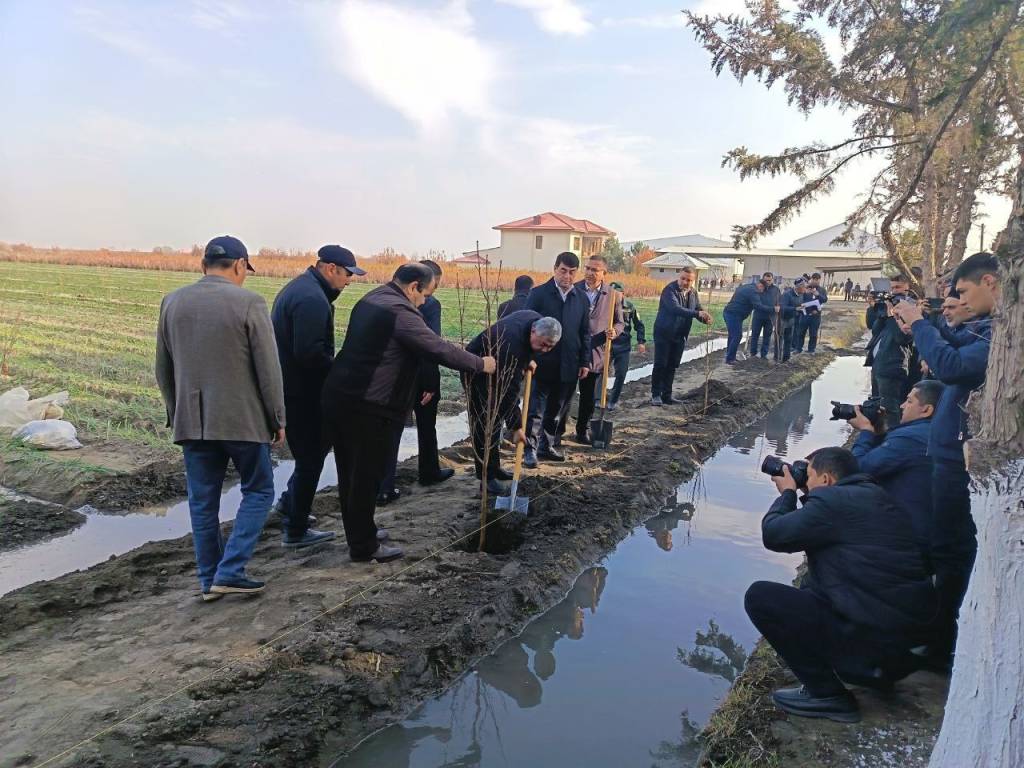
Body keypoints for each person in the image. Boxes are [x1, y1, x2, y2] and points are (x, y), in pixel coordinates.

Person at [744, 447, 937, 722]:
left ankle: (827, 695)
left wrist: (788, 493)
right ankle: (866, 667)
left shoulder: (834, 502)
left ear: (826, 479)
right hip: (906, 648)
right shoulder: (875, 496)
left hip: (879, 652)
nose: (805, 480)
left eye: (808, 475)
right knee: (811, 584)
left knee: (760, 597)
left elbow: (775, 534)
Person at [321, 263, 496, 563]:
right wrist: (481, 364)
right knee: (365, 475)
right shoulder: (399, 312)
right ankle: (363, 546)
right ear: (414, 286)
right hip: (368, 405)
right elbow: (437, 348)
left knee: (351, 472)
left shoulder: (373, 297)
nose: (425, 301)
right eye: (425, 294)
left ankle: (362, 531)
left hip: (343, 396)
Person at [155, 236, 284, 600]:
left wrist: (176, 411)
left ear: (203, 265)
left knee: (202, 502)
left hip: (192, 421)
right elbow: (269, 369)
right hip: (243, 419)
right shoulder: (249, 302)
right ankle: (230, 571)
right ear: (240, 265)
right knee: (259, 490)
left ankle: (208, 579)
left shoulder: (172, 301)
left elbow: (163, 367)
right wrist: (277, 417)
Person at [892, 251, 998, 668]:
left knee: (952, 550)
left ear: (989, 282)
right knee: (945, 547)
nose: (962, 302)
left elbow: (953, 366)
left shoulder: (1001, 332)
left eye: (965, 293)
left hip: (960, 457)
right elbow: (955, 348)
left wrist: (921, 325)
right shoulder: (984, 329)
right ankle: (936, 633)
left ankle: (942, 643)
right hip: (950, 451)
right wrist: (924, 328)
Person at [271, 244, 365, 548]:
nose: (349, 281)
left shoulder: (303, 288)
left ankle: (289, 502)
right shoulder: (311, 298)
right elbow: (309, 354)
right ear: (330, 268)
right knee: (311, 459)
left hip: (294, 387)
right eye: (347, 274)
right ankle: (296, 530)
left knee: (314, 451)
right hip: (303, 393)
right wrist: (339, 372)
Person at [464, 312, 561, 493]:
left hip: (498, 364)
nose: (545, 350)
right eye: (543, 345)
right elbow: (509, 392)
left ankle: (494, 468)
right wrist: (516, 428)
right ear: (533, 331)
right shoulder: (512, 346)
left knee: (496, 420)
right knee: (485, 422)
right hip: (476, 371)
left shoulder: (536, 319)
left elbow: (527, 350)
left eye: (550, 347)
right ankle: (486, 478)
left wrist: (529, 359)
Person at [849, 380, 944, 554]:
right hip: (932, 530)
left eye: (909, 401)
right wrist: (879, 431)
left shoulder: (910, 438)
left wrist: (865, 431)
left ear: (926, 410)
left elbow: (858, 469)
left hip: (905, 538)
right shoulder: (938, 432)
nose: (902, 406)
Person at [523, 252, 590, 467]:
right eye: (563, 271)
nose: (567, 276)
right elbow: (526, 327)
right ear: (555, 269)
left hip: (569, 363)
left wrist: (584, 361)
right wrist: (528, 358)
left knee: (556, 411)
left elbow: (585, 333)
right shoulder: (539, 294)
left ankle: (546, 445)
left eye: (572, 272)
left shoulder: (580, 298)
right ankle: (529, 449)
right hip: (541, 364)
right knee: (535, 410)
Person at [570, 255, 623, 443]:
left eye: (595, 270)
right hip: (572, 348)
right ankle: (555, 432)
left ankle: (582, 430)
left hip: (596, 351)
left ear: (604, 273)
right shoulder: (573, 289)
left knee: (588, 395)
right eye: (588, 268)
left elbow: (620, 322)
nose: (590, 273)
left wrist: (614, 332)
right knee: (564, 393)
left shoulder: (613, 295)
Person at [651, 266, 712, 403]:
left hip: (680, 334)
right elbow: (675, 309)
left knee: (672, 365)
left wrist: (705, 318)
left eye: (689, 280)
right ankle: (655, 395)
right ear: (679, 277)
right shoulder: (669, 290)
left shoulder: (693, 293)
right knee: (661, 364)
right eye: (683, 278)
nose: (685, 282)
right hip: (664, 333)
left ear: (693, 281)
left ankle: (667, 396)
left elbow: (697, 308)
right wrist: (697, 313)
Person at [865, 273, 913, 429]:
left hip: (893, 365)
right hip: (878, 363)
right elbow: (874, 329)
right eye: (892, 288)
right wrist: (875, 308)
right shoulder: (888, 305)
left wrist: (892, 316)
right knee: (877, 405)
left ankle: (892, 438)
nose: (894, 291)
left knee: (890, 409)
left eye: (898, 287)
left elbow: (902, 338)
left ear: (907, 288)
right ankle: (878, 436)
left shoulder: (910, 308)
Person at [606, 280, 646, 410]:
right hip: (606, 344)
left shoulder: (629, 307)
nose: (613, 296)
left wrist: (641, 342)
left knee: (621, 373)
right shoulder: (603, 306)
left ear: (622, 294)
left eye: (616, 293)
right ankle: (598, 399)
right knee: (601, 372)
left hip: (623, 345)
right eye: (610, 293)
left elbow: (639, 325)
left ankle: (613, 401)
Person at [721, 277, 763, 363]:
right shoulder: (753, 291)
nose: (761, 292)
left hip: (731, 313)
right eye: (763, 290)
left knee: (733, 335)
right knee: (737, 335)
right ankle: (730, 359)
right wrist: (772, 309)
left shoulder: (746, 286)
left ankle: (730, 356)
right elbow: (758, 306)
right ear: (760, 286)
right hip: (733, 314)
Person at [793, 272, 828, 354]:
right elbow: (799, 298)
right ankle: (798, 349)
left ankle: (811, 350)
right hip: (804, 314)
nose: (815, 281)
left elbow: (825, 300)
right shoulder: (805, 288)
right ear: (811, 279)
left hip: (815, 315)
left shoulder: (822, 290)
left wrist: (818, 295)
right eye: (814, 279)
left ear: (819, 280)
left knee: (813, 334)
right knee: (801, 333)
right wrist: (804, 293)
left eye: (817, 280)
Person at [749, 272, 780, 360]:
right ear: (763, 280)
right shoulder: (759, 288)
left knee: (767, 336)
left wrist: (778, 307)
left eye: (770, 280)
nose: (768, 282)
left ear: (772, 280)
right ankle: (753, 353)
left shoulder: (776, 290)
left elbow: (779, 301)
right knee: (755, 335)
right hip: (758, 315)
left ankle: (764, 354)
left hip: (770, 317)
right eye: (766, 280)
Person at [775, 278, 806, 362]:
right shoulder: (787, 294)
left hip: (791, 319)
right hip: (782, 319)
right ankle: (777, 358)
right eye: (804, 287)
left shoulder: (801, 295)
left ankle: (786, 359)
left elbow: (799, 306)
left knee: (788, 340)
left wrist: (803, 310)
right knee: (779, 340)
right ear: (798, 287)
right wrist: (795, 308)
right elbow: (782, 307)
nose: (805, 289)